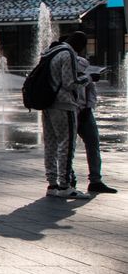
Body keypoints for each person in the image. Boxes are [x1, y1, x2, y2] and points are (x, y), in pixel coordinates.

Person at [67, 32, 117, 195]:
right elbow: (70, 84)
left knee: (93, 145)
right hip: (68, 111)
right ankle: (69, 179)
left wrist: (88, 108)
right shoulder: (67, 62)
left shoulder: (81, 64)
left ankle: (95, 180)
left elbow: (91, 90)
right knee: (67, 148)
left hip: (84, 112)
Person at [38, 32, 87, 199]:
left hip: (47, 103)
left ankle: (52, 184)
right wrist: (88, 78)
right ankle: (65, 185)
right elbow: (69, 83)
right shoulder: (68, 54)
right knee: (66, 144)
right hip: (64, 105)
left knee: (50, 144)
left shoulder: (50, 52)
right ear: (79, 45)